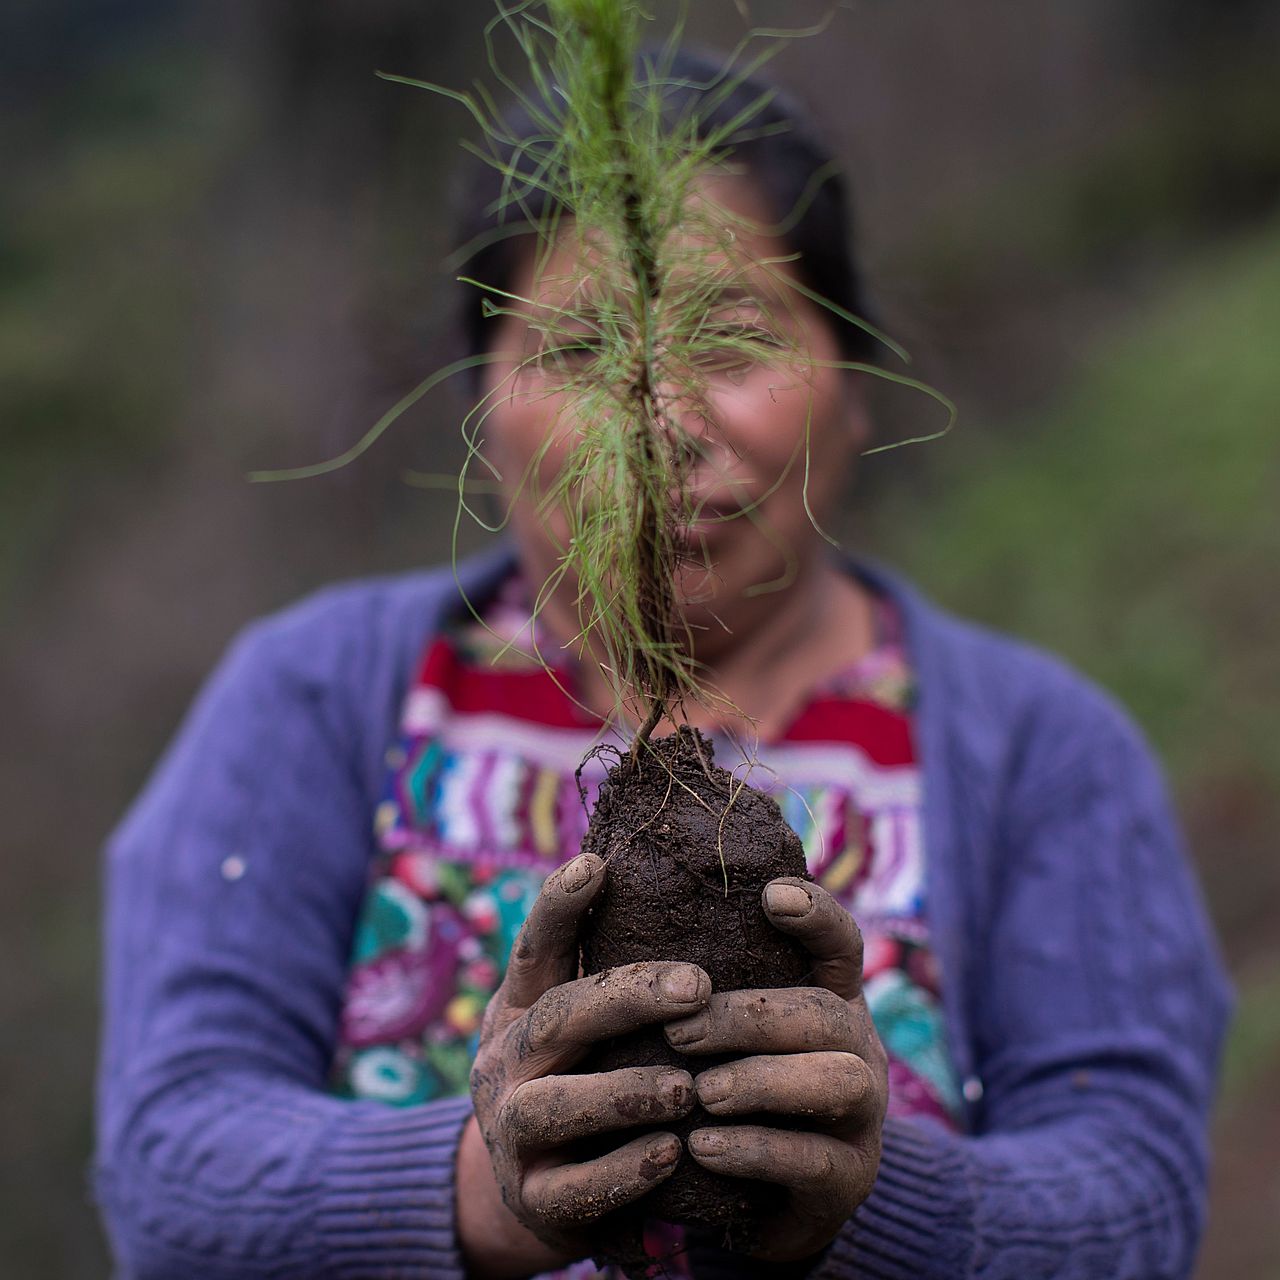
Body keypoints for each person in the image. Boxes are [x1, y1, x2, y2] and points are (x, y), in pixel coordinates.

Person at [94, 47, 1230, 1280]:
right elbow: (170, 1168)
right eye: (582, 352)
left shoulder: (1037, 750)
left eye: (731, 339)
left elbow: (1131, 1202)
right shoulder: (314, 695)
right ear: (481, 408)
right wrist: (488, 1181)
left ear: (851, 387)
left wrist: (861, 1182)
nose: (659, 426)